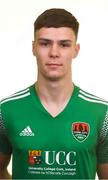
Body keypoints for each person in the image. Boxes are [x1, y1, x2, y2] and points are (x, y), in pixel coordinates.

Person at [0, 8, 108, 180]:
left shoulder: (102, 114)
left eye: (64, 44)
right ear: (33, 47)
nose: (54, 53)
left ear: (76, 50)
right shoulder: (6, 111)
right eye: (45, 43)